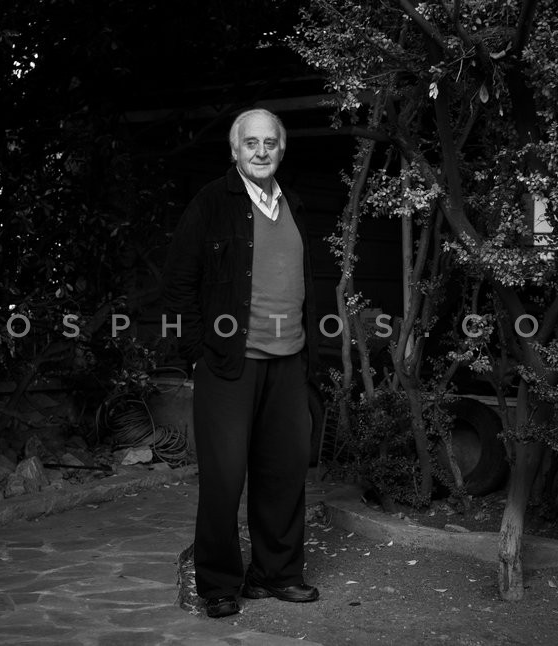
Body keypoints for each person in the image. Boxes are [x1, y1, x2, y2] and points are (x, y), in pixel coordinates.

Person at [162, 108, 320, 618]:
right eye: (250, 143)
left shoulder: (293, 204)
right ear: (234, 151)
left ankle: (276, 575)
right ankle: (218, 584)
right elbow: (178, 284)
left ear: (281, 148)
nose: (260, 151)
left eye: (269, 142)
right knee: (225, 479)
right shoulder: (211, 203)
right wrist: (196, 353)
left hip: (288, 362)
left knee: (284, 473)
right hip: (229, 364)